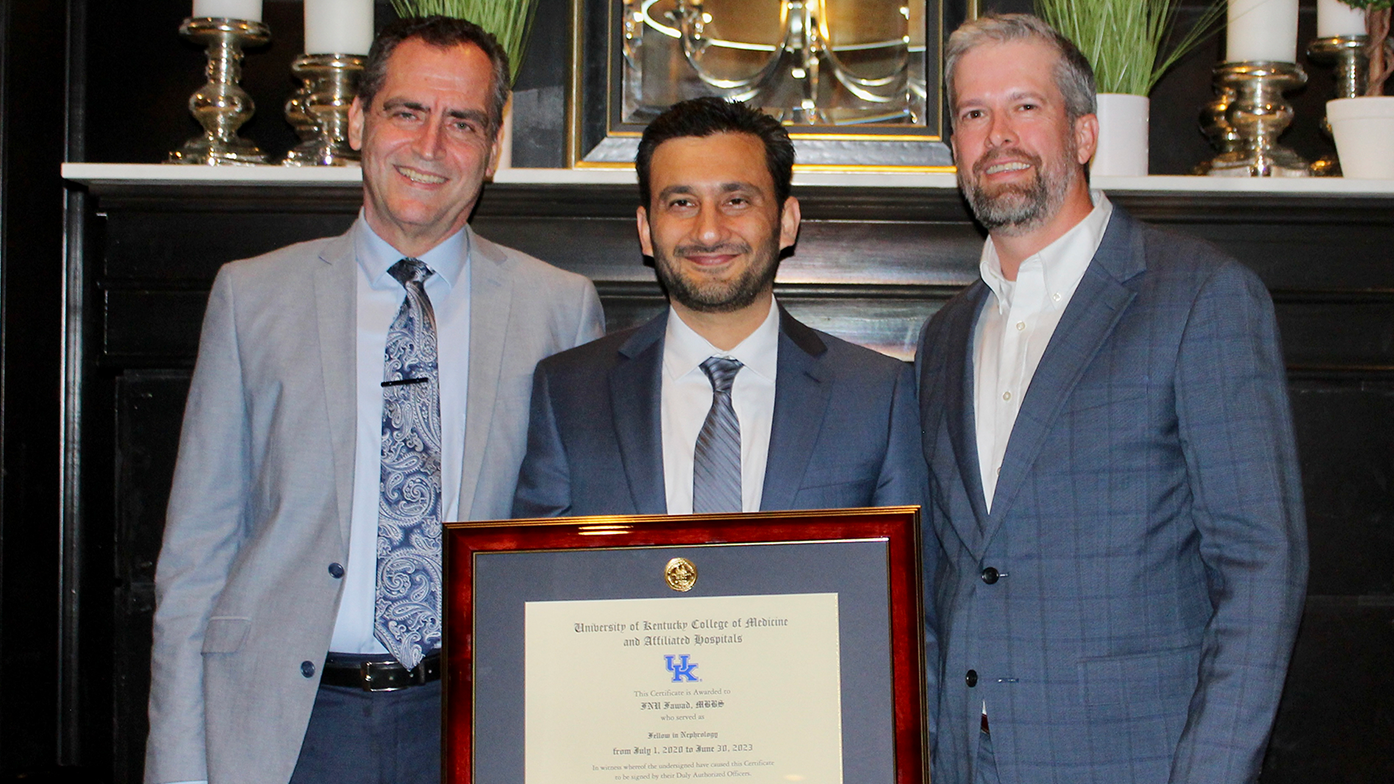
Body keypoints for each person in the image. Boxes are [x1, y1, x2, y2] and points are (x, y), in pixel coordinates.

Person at [143, 16, 603, 784]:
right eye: (406, 112)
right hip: (287, 728)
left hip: (475, 722)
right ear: (357, 120)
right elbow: (194, 560)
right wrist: (178, 766)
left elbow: (573, 555)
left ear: (492, 148)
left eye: (463, 123)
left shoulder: (559, 308)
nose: (431, 147)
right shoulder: (251, 297)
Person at [916, 13, 1308, 784]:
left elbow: (1263, 567)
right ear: (955, 148)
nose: (998, 134)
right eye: (973, 113)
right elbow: (947, 582)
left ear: (1085, 134)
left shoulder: (1199, 297)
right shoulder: (944, 338)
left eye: (1026, 106)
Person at [512, 96, 925, 518]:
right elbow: (543, 576)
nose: (708, 231)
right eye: (681, 203)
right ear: (646, 230)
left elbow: (898, 576)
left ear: (786, 222)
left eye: (736, 201)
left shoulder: (876, 396)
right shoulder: (569, 393)